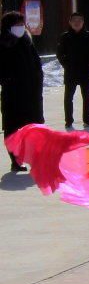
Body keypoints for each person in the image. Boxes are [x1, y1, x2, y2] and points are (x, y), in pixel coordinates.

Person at [1, 12, 45, 172]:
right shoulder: (3, 44)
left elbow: (36, 63)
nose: (20, 27)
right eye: (16, 25)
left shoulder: (27, 42)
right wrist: (9, 80)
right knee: (13, 127)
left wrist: (38, 79)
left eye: (21, 24)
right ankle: (16, 159)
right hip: (13, 94)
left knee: (33, 126)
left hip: (32, 93)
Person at [57, 13, 89, 129]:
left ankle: (87, 119)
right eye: (74, 21)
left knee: (87, 97)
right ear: (70, 22)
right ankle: (68, 120)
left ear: (83, 22)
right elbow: (60, 54)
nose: (77, 23)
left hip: (85, 71)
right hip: (70, 71)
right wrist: (66, 65)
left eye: (79, 21)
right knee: (68, 97)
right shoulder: (65, 37)